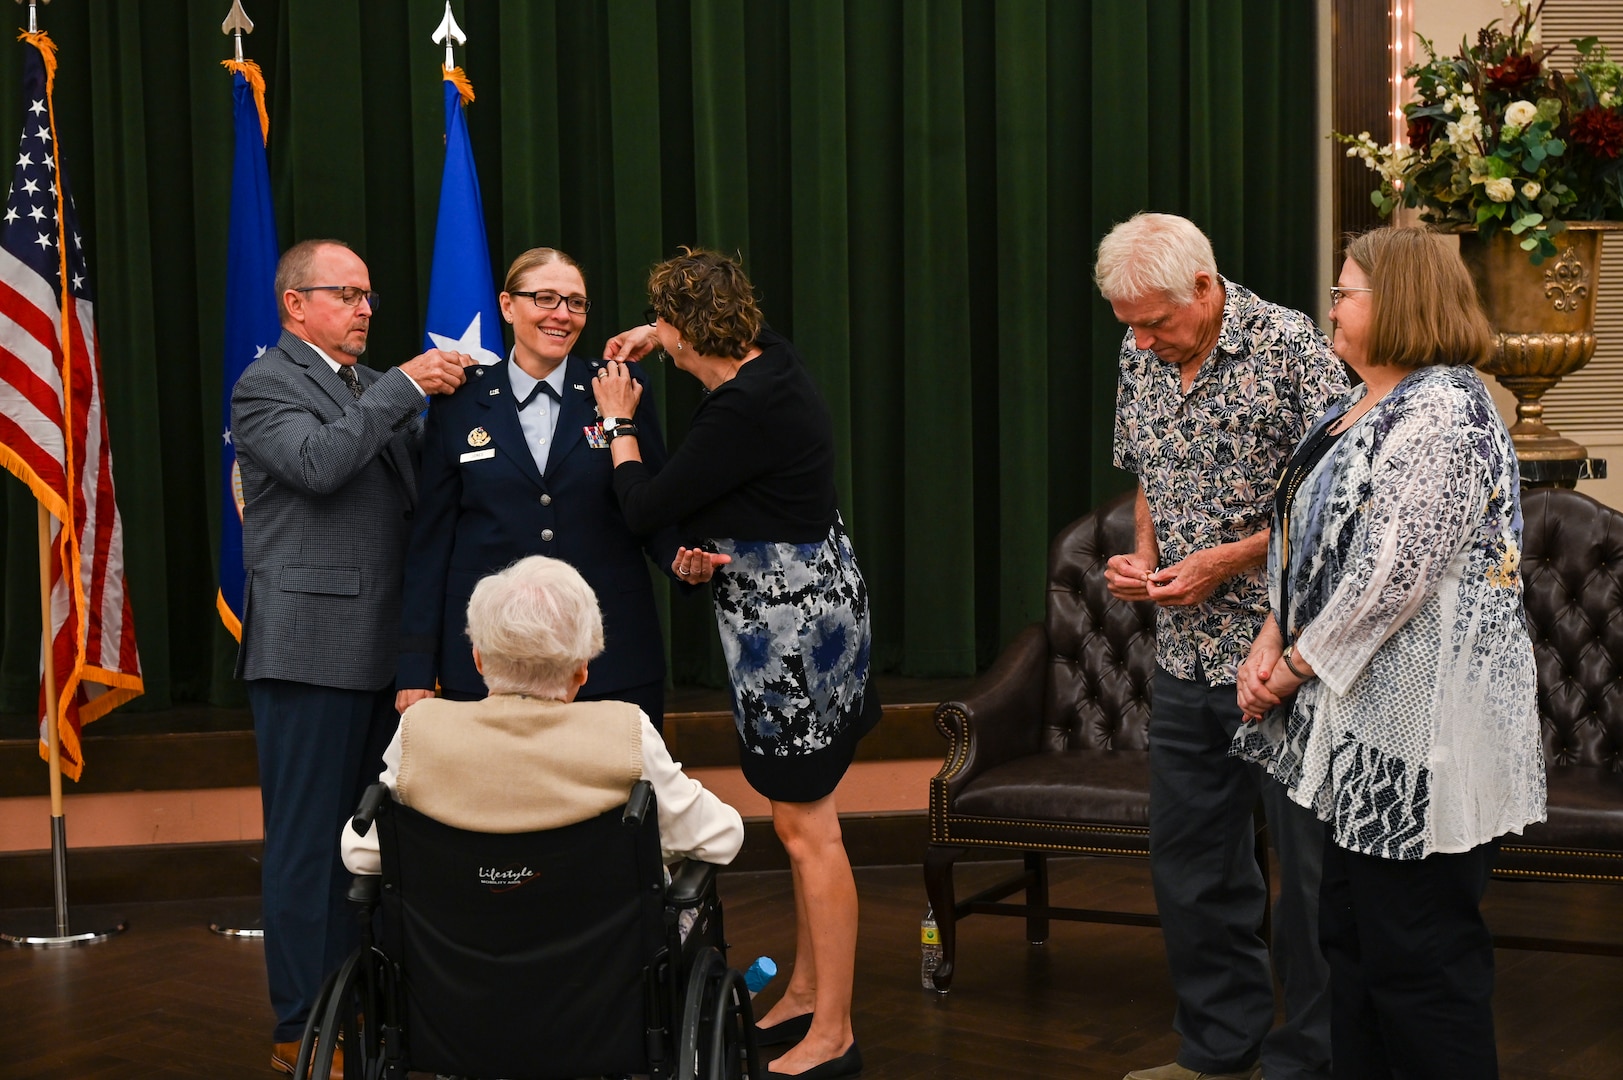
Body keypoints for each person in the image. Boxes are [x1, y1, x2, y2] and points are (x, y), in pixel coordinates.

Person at [1233, 227, 1546, 1079]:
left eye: (1345, 292)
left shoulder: (1444, 408)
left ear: (1400, 301)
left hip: (1427, 726)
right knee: (1353, 941)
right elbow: (1307, 538)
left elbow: (1390, 576)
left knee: (1419, 960)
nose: (1329, 306)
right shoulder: (1361, 399)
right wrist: (1272, 631)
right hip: (1363, 723)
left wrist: (1291, 668)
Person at [595, 249, 879, 1080]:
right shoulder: (772, 360)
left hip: (788, 629)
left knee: (804, 829)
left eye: (665, 327)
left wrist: (617, 425)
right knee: (803, 818)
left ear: (689, 333)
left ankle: (834, 1035)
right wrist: (659, 332)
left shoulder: (738, 414)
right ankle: (804, 995)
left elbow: (643, 503)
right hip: (818, 603)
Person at [1096, 212, 1347, 1080]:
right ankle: (1215, 1054)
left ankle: (1311, 1063)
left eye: (1155, 321)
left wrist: (1229, 561)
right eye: (1127, 323)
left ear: (1203, 288)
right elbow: (1148, 475)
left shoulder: (1291, 347)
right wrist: (1147, 557)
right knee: (1192, 868)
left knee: (1309, 882)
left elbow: (1335, 502)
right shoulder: (1139, 350)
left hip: (1285, 664)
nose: (1140, 338)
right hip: (1183, 660)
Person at [230, 238, 474, 1076]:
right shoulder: (264, 386)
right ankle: (302, 1027)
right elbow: (318, 465)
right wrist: (408, 386)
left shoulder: (370, 389)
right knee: (308, 847)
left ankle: (368, 1007)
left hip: (389, 659)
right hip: (308, 654)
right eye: (347, 294)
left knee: (379, 847)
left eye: (369, 295)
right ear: (295, 304)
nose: (366, 308)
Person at [397, 247, 695, 730]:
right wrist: (415, 664)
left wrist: (682, 560)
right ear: (508, 305)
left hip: (609, 654)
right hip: (489, 658)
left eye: (576, 302)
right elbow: (433, 539)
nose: (563, 314)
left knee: (622, 803)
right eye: (545, 298)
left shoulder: (619, 385)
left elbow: (651, 503)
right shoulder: (459, 399)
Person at [344, 555, 742, 876]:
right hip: (599, 965)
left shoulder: (420, 731)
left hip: (453, 966)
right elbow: (721, 837)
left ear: (477, 659)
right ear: (583, 668)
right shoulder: (625, 733)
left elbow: (360, 854)